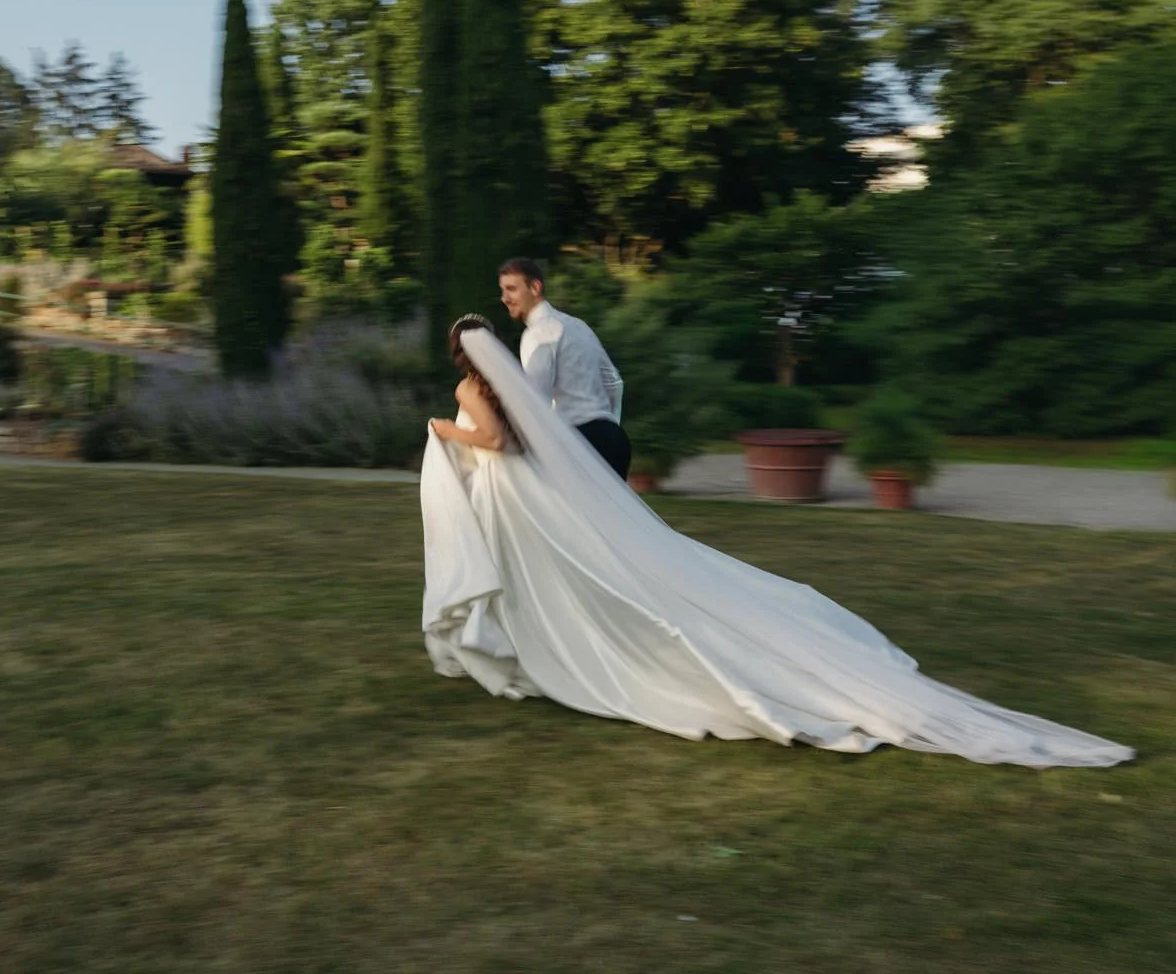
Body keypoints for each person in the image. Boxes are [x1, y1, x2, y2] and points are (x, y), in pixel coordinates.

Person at [422, 317, 1134, 769]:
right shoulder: (505, 378)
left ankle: (540, 650)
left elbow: (491, 438)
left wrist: (443, 428)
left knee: (556, 578)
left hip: (510, 491)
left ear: (460, 353)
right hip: (519, 492)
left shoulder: (471, 388)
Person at [497, 257, 632, 480]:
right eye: (502, 291)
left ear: (535, 287)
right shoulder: (578, 326)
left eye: (511, 289)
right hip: (615, 440)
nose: (505, 298)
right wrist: (610, 424)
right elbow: (614, 382)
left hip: (579, 442)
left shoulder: (537, 334)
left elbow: (536, 401)